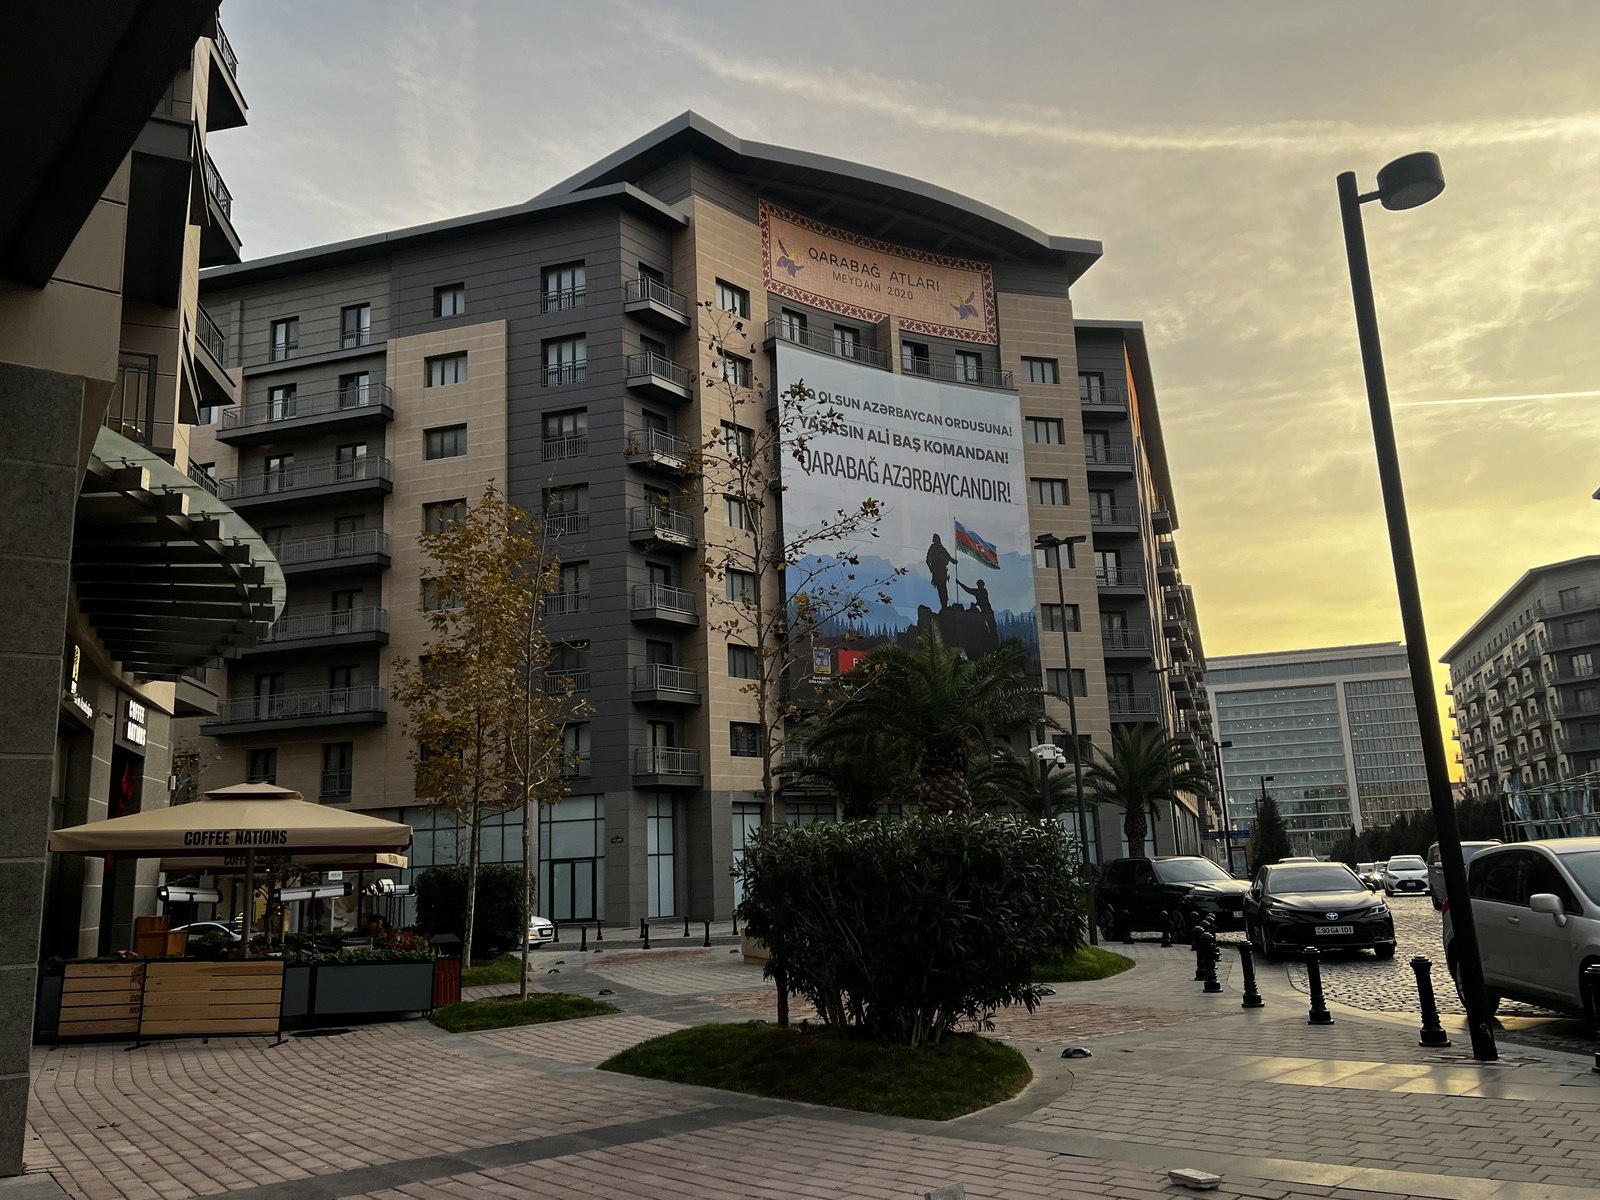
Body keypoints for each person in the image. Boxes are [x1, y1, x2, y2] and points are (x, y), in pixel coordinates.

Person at [925, 534, 956, 609]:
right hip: (938, 571)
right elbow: (928, 560)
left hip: (942, 571)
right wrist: (931, 569)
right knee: (941, 588)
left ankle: (944, 605)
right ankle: (944, 606)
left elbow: (948, 556)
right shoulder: (933, 548)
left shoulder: (941, 548)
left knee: (943, 589)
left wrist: (953, 560)